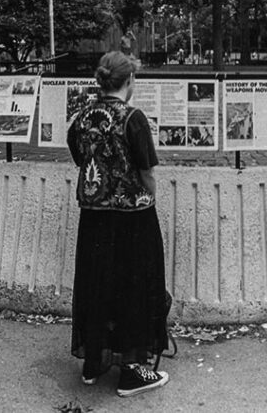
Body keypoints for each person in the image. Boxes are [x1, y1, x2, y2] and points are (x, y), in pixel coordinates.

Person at [66, 52, 170, 397]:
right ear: (130, 81)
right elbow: (146, 171)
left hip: (94, 217)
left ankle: (94, 361)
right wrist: (151, 197)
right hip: (132, 219)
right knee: (135, 287)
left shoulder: (82, 117)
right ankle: (131, 369)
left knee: (97, 285)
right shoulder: (133, 118)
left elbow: (80, 156)